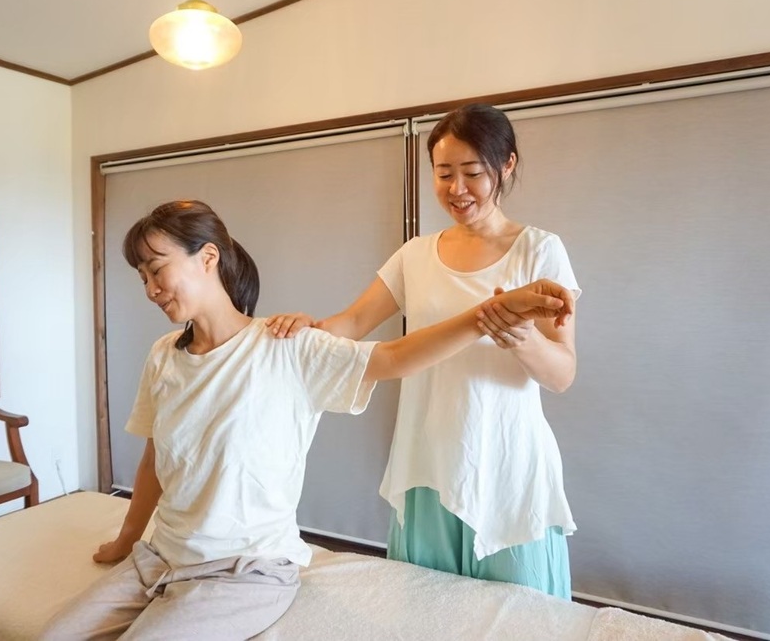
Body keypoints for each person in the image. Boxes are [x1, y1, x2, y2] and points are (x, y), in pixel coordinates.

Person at [42, 199, 574, 641]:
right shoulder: (163, 355)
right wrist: (127, 540)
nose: (150, 289)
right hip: (157, 560)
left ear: (207, 258)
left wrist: (490, 315)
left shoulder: (285, 347)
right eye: (141, 277)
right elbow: (154, 460)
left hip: (243, 573)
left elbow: (393, 356)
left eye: (157, 270)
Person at [267, 103, 581, 599]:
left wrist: (521, 337)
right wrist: (307, 328)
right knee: (426, 609)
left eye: (472, 173)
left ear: (507, 166)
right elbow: (351, 324)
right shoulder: (415, 254)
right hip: (426, 461)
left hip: (506, 465)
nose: (457, 189)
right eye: (444, 173)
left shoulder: (539, 250)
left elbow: (562, 374)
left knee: (521, 617)